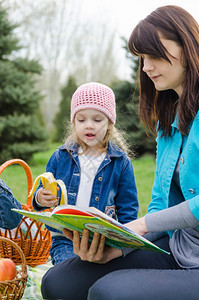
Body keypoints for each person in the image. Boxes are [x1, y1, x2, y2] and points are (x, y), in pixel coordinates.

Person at [41, 5, 199, 300]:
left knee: (107, 293)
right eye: (142, 58)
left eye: (154, 55)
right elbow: (159, 205)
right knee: (58, 282)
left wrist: (139, 225)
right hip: (177, 249)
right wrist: (119, 247)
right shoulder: (171, 122)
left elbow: (149, 218)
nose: (147, 67)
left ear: (187, 44)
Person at [33, 82, 139, 265]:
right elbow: (42, 196)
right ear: (74, 122)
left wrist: (123, 244)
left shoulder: (121, 163)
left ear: (109, 123)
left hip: (104, 240)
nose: (89, 126)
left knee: (103, 278)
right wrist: (40, 199)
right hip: (66, 238)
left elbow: (128, 209)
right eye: (81, 120)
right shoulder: (60, 157)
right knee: (70, 274)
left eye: (97, 120)